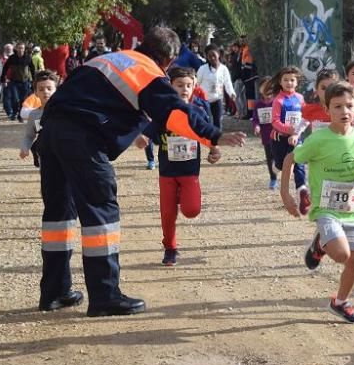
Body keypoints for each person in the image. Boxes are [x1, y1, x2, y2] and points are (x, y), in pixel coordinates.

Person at [36, 26, 246, 316]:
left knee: (57, 216)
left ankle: (54, 292)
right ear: (168, 60)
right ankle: (105, 296)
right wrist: (213, 135)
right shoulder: (147, 72)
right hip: (84, 140)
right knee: (101, 216)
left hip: (51, 134)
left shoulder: (106, 59)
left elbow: (73, 96)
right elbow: (174, 114)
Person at [281, 81, 354, 324]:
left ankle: (340, 302)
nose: (344, 111)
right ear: (327, 110)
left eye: (349, 106)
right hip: (326, 209)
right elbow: (289, 159)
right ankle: (322, 244)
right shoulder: (319, 139)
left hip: (353, 210)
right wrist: (286, 195)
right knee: (341, 254)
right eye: (337, 106)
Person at [134, 66, 219, 266]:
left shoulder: (199, 110)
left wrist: (214, 149)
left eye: (189, 85)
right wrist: (143, 139)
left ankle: (185, 195)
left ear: (194, 86)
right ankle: (170, 248)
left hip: (189, 172)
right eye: (179, 85)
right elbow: (149, 131)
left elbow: (207, 133)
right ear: (170, 88)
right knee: (168, 213)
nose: (184, 89)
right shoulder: (164, 113)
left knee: (191, 210)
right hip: (167, 173)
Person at [269, 66, 312, 213]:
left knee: (299, 163)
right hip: (279, 139)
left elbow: (306, 116)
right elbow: (274, 122)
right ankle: (277, 166)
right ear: (280, 82)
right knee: (282, 165)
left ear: (297, 82)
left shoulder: (300, 99)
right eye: (286, 80)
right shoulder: (278, 100)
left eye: (292, 80)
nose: (289, 83)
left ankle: (302, 189)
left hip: (296, 139)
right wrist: (289, 129)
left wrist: (298, 131)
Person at [19, 70, 59, 167]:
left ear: (56, 90)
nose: (45, 91)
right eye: (41, 89)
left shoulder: (64, 112)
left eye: (49, 88)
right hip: (45, 156)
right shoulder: (34, 115)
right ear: (36, 93)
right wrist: (25, 147)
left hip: (64, 156)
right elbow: (29, 136)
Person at [196, 44, 233, 128]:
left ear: (218, 54)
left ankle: (217, 140)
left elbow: (228, 83)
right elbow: (197, 84)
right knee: (207, 122)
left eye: (214, 55)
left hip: (217, 100)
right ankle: (207, 140)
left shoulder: (224, 69)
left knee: (218, 123)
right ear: (207, 57)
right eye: (209, 56)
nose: (212, 58)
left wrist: (232, 94)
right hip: (205, 101)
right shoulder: (202, 69)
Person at [251, 76, 278, 190]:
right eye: (264, 87)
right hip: (266, 136)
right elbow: (255, 118)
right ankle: (273, 178)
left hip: (278, 134)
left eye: (270, 87)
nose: (267, 90)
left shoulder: (277, 102)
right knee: (269, 157)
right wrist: (256, 126)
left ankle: (280, 168)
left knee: (278, 156)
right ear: (260, 90)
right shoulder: (258, 104)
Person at [3, 42, 35, 121]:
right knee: (15, 99)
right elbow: (5, 67)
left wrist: (34, 80)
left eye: (22, 48)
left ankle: (20, 115)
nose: (21, 50)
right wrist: (3, 78)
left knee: (23, 99)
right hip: (14, 81)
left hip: (24, 81)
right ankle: (14, 112)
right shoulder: (12, 58)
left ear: (24, 49)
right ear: (16, 49)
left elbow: (32, 69)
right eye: (19, 48)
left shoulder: (28, 58)